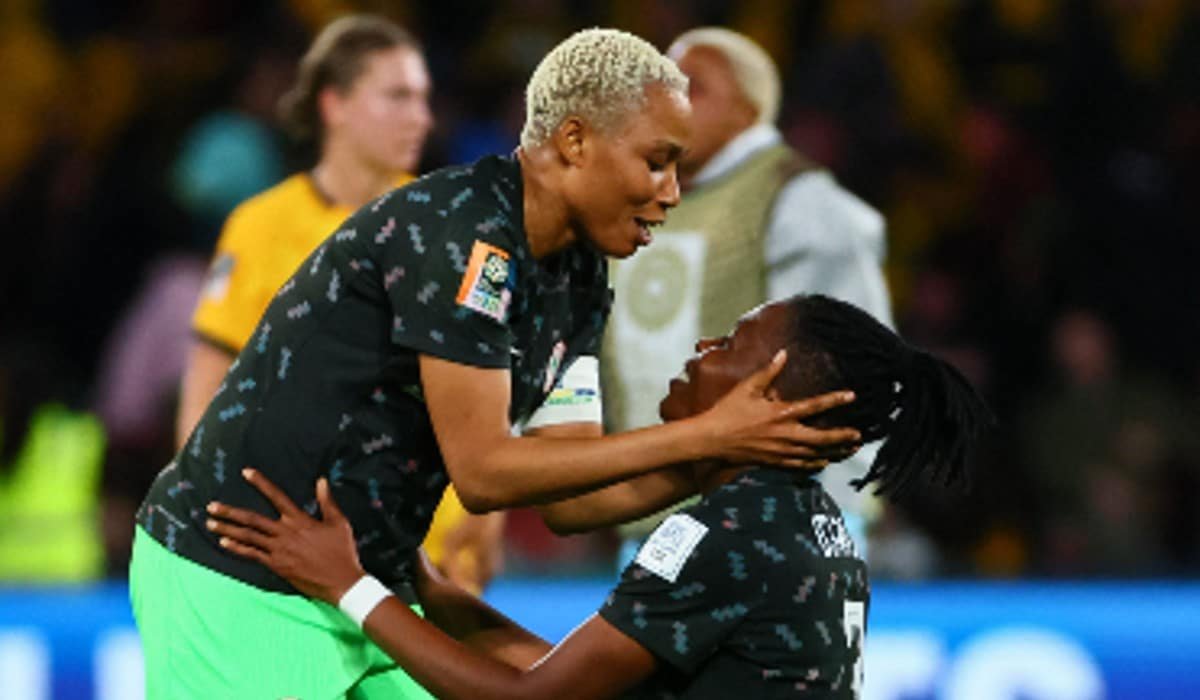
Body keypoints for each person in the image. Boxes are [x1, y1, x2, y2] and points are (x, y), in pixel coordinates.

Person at [131, 28, 862, 699]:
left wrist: (722, 462)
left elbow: (571, 494)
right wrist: (707, 439)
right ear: (574, 140)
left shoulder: (579, 274)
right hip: (241, 569)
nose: (670, 192)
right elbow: (482, 472)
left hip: (358, 581)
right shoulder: (464, 235)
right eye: (658, 161)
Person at [206, 293, 991, 699]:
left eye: (730, 346)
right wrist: (423, 585)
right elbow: (587, 674)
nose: (702, 349)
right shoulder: (808, 523)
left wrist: (348, 586)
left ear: (772, 395)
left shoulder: (731, 532)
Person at [172, 15, 499, 592]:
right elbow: (207, 384)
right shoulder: (259, 227)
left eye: (424, 98)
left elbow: (490, 378)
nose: (421, 116)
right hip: (289, 547)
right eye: (397, 96)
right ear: (335, 104)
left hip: (428, 551)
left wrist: (489, 511)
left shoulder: (454, 228)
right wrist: (210, 512)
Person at [603, 28, 894, 565]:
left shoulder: (800, 200)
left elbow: (854, 364)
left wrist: (833, 508)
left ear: (748, 108)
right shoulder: (638, 202)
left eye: (695, 86)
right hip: (653, 514)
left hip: (776, 518)